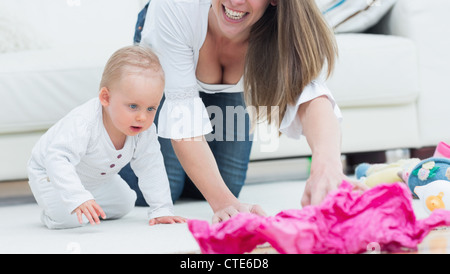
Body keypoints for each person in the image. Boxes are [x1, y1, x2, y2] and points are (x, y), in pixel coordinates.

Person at [120, 0, 356, 223]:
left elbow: (311, 98)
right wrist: (223, 204)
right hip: (170, 49)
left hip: (227, 80)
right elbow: (183, 119)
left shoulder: (285, 22)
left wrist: (327, 166)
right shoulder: (177, 6)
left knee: (226, 184)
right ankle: (104, 140)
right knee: (162, 188)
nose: (235, 1)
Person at [27, 45, 186, 229]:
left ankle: (88, 203)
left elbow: (151, 166)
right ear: (105, 98)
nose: (142, 117)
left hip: (95, 179)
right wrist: (78, 197)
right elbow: (57, 159)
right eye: (133, 106)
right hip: (50, 172)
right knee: (69, 220)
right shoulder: (84, 123)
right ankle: (52, 214)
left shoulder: (144, 130)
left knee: (125, 203)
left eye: (151, 108)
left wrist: (162, 209)